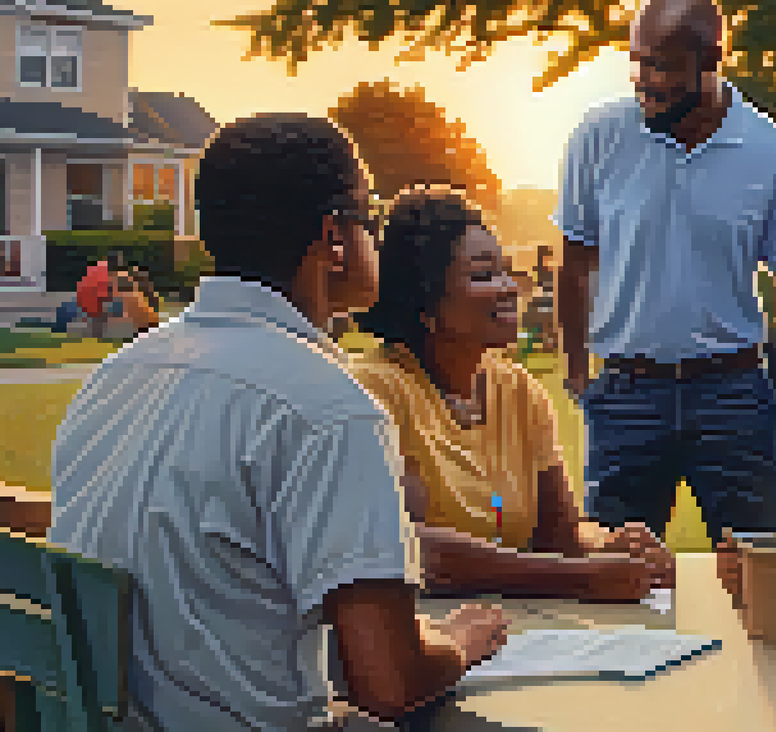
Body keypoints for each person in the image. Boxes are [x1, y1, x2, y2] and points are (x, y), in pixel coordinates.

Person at [47, 114, 510, 731]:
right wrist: (457, 643)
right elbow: (389, 679)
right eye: (368, 219)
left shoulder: (117, 377)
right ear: (334, 238)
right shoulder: (326, 409)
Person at [556, 0, 776, 546]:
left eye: (661, 67)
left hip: (734, 397)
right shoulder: (597, 137)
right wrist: (579, 372)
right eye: (637, 62)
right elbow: (575, 262)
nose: (643, 81)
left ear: (710, 60)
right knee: (614, 577)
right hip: (625, 397)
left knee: (757, 579)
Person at [350, 189, 673, 602]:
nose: (510, 289)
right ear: (424, 303)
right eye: (484, 275)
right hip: (422, 635)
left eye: (506, 271)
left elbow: (560, 537)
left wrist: (614, 548)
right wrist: (577, 578)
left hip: (518, 627)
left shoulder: (519, 391)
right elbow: (403, 548)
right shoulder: (376, 390)